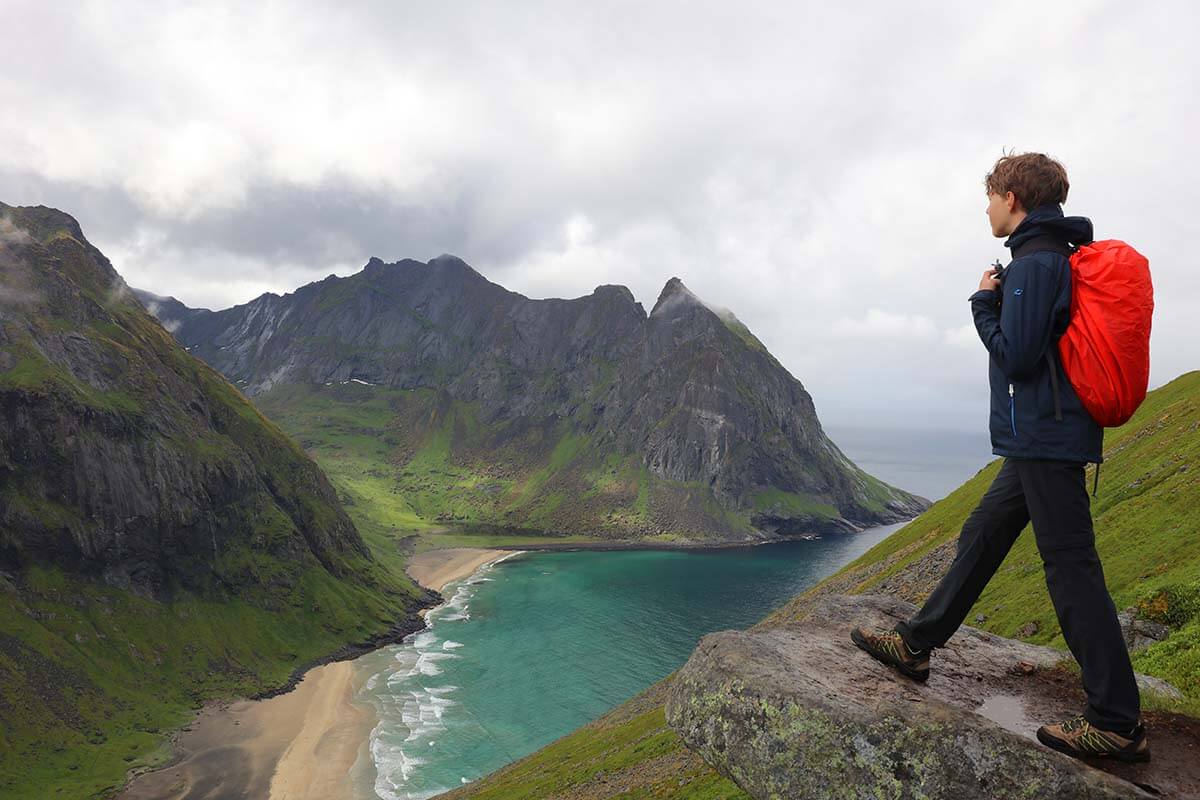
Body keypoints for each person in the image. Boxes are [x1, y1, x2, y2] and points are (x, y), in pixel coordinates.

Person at [849, 152, 1149, 763]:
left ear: (1014, 198)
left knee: (1071, 572)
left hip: (1046, 438)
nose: (986, 207)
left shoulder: (1034, 266)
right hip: (1037, 439)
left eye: (990, 196)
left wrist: (983, 306)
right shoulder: (1043, 260)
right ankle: (916, 644)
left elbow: (1016, 357)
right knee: (982, 533)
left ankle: (1116, 721)